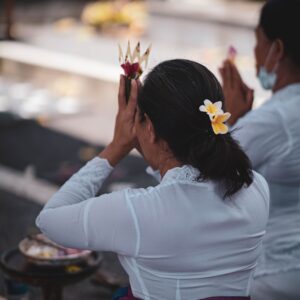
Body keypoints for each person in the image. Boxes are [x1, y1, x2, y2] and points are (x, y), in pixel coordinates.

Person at [36, 59, 269, 300]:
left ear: (150, 129)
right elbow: (182, 195)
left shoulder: (138, 213)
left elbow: (50, 220)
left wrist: (117, 146)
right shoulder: (257, 187)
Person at [219, 1, 300, 299]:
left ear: (276, 50)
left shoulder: (273, 120)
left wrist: (227, 119)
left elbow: (199, 179)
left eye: (257, 42)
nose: (254, 54)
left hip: (275, 274)